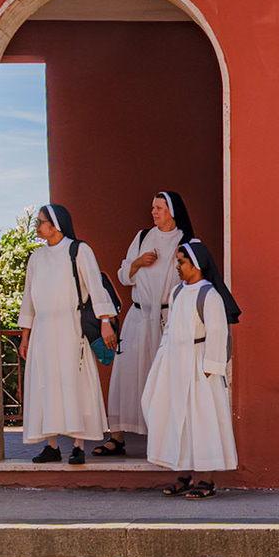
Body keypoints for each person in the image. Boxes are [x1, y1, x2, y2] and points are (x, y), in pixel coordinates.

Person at [17, 203, 119, 466]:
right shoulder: (36, 258)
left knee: (75, 383)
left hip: (71, 327)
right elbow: (28, 299)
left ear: (55, 225)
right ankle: (51, 445)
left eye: (40, 222)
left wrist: (105, 321)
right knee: (46, 384)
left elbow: (95, 288)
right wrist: (26, 335)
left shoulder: (79, 250)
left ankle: (78, 445)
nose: (37, 226)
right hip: (42, 331)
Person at [145, 239, 241, 499]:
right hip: (175, 363)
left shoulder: (208, 295)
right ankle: (183, 473)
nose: (177, 266)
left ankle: (207, 480)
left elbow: (218, 332)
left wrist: (210, 368)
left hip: (200, 367)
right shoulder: (176, 293)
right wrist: (163, 357)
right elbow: (169, 329)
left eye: (181, 261)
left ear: (196, 264)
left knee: (204, 420)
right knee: (179, 418)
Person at [103, 191, 196, 456]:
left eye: (159, 208)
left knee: (164, 377)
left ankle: (166, 437)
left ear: (172, 211)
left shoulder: (186, 241)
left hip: (169, 318)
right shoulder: (142, 237)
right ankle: (117, 436)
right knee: (127, 374)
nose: (154, 212)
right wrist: (137, 263)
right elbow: (123, 276)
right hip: (139, 316)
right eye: (152, 208)